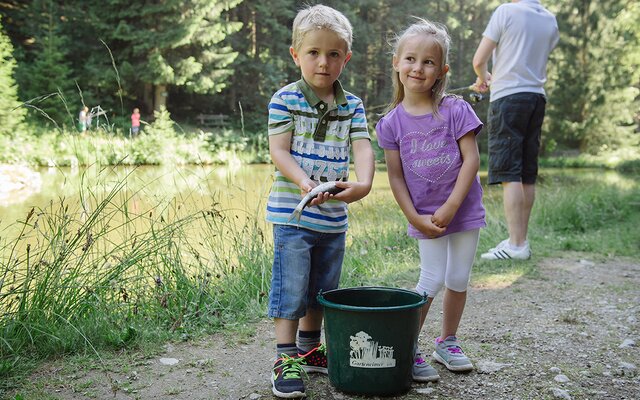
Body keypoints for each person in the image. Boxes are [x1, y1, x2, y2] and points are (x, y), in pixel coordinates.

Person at [266, 4, 375, 398]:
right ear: (296, 54)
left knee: (322, 290)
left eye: (333, 54)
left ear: (345, 58)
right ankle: (285, 357)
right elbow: (279, 150)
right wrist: (302, 180)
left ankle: (310, 350)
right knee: (292, 288)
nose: (323, 63)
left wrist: (363, 184)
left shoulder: (353, 106)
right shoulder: (285, 100)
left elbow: (362, 147)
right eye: (313, 53)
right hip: (293, 217)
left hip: (332, 220)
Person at [376, 18, 486, 382]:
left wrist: (453, 205)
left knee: (457, 276)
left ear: (442, 70)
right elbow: (394, 176)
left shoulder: (455, 110)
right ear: (396, 62)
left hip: (463, 210)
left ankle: (448, 341)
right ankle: (407, 348)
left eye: (428, 62)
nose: (418, 68)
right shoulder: (391, 123)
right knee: (431, 277)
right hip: (425, 216)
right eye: (410, 58)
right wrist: (414, 217)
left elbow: (471, 159)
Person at [472, 0, 559, 260]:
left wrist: (483, 76)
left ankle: (517, 245)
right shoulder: (550, 19)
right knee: (526, 173)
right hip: (536, 98)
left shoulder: (506, 12)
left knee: (510, 173)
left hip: (508, 98)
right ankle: (518, 239)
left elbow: (479, 60)